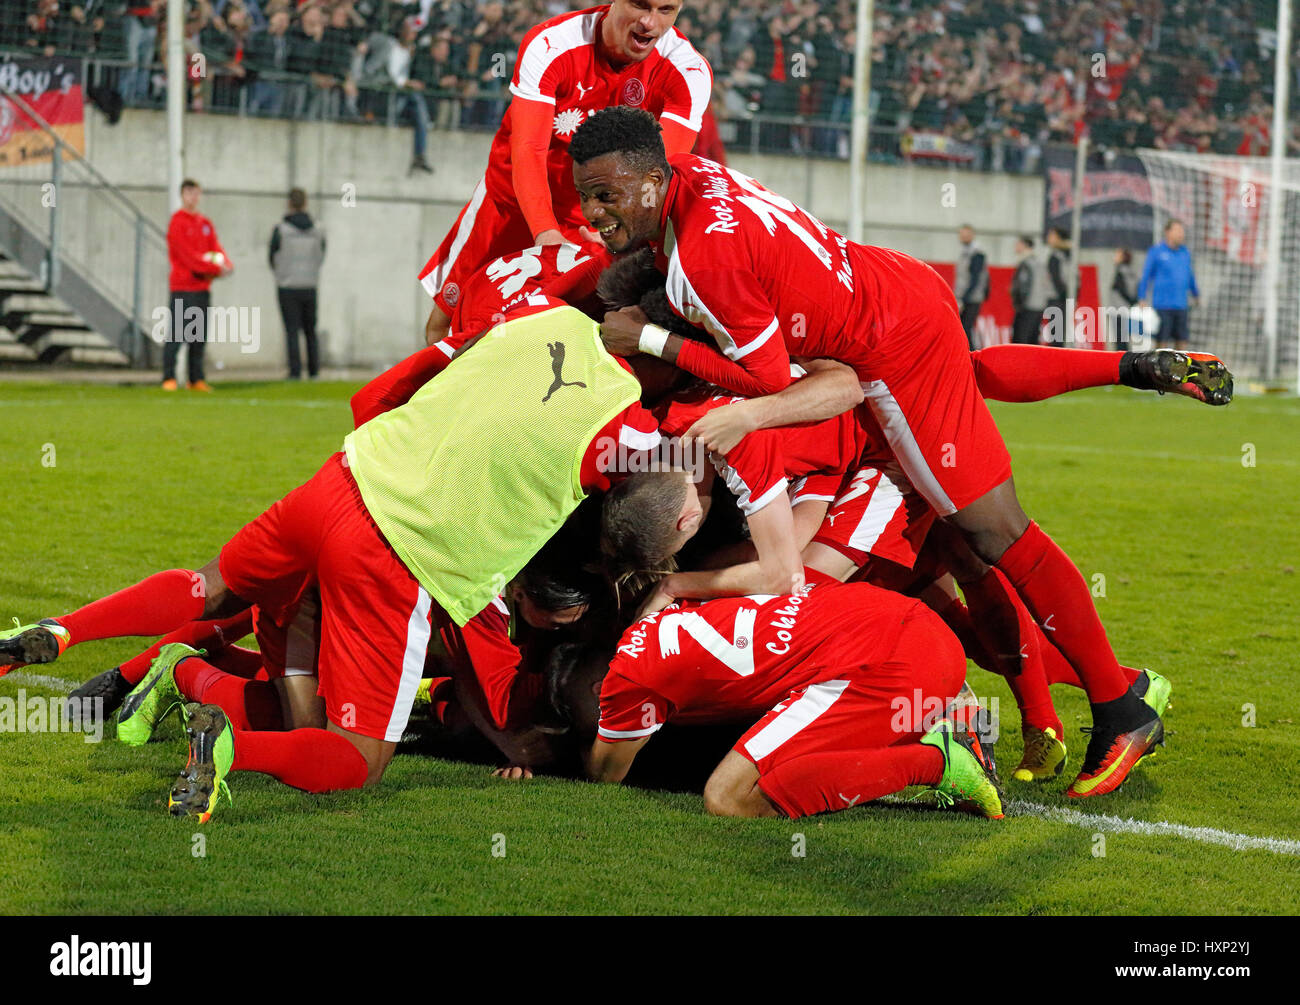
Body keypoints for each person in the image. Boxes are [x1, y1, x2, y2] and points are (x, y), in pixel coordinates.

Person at [571, 106, 1179, 799]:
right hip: (893, 301)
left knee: (983, 539)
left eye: (606, 194)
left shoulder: (701, 272)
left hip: (887, 361)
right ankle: (1094, 699)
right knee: (954, 563)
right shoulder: (696, 182)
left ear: (654, 178)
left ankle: (1113, 707)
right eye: (586, 196)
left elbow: (782, 387)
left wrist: (656, 344)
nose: (593, 211)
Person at [0, 296, 662, 820]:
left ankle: (68, 630)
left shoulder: (543, 312)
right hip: (394, 554)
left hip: (343, 478)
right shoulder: (630, 425)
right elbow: (659, 507)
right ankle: (224, 744)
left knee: (213, 589)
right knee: (356, 761)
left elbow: (422, 366)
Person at [570, 581, 1004, 820]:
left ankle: (940, 761)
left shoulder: (627, 682)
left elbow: (605, 774)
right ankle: (941, 710)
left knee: (729, 799)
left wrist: (547, 753)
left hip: (889, 666)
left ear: (596, 690)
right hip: (903, 620)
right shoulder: (673, 611)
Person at [415, 0, 713, 347]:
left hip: (593, 223)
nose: (650, 22)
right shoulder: (552, 43)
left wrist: (622, 231)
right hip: (510, 205)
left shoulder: (688, 71)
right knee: (447, 328)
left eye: (666, 9)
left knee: (560, 343)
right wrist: (545, 232)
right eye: (639, 5)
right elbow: (528, 150)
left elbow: (658, 174)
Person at [164, 179, 232, 392]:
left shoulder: (204, 223)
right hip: (183, 287)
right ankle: (169, 378)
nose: (193, 198)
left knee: (198, 336)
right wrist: (215, 270)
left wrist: (226, 264)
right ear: (182, 195)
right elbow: (188, 258)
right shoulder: (177, 223)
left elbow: (216, 249)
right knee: (177, 334)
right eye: (189, 193)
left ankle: (196, 379)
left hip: (203, 288)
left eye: (196, 194)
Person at [269, 187, 326, 380]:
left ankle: (295, 372)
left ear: (289, 204)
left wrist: (281, 273)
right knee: (311, 330)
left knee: (292, 330)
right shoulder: (318, 229)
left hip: (287, 286)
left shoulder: (281, 229)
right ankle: (314, 371)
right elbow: (322, 253)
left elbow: (272, 256)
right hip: (310, 284)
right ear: (305, 203)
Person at [1139, 219, 1200, 350]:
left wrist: (1196, 294)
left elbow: (1189, 276)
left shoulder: (1185, 253)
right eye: (1177, 230)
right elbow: (1146, 276)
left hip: (1181, 306)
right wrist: (1142, 297)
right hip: (1162, 306)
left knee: (1182, 342)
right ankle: (1159, 370)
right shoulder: (1156, 252)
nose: (1181, 234)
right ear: (1168, 232)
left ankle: (1179, 369)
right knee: (1162, 344)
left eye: (1182, 231)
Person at [954, 224, 988, 349]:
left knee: (966, 328)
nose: (963, 237)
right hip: (965, 297)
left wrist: (963, 298)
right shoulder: (965, 253)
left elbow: (975, 278)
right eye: (961, 234)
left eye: (966, 234)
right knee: (964, 328)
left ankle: (971, 355)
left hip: (971, 298)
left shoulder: (976, 253)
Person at [1009, 235, 1046, 345]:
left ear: (1024, 245)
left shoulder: (1025, 263)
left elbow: (1024, 285)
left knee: (1020, 338)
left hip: (1027, 305)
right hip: (1039, 305)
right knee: (1033, 338)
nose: (1015, 247)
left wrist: (1019, 303)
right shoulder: (1039, 263)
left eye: (1018, 244)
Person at [1042, 225, 1070, 347]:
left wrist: (1063, 295)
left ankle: (1056, 362)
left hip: (1057, 299)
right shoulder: (1068, 255)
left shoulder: (1055, 256)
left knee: (1056, 335)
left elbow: (1056, 278)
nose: (1049, 238)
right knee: (1059, 333)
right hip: (1064, 298)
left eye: (1052, 235)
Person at [1108, 248, 1139, 350]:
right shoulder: (1132, 272)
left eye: (1117, 254)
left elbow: (1122, 290)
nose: (1114, 257)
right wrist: (1133, 302)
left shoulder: (1120, 271)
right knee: (1125, 338)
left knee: (1120, 340)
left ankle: (1120, 361)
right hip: (1127, 309)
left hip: (1118, 309)